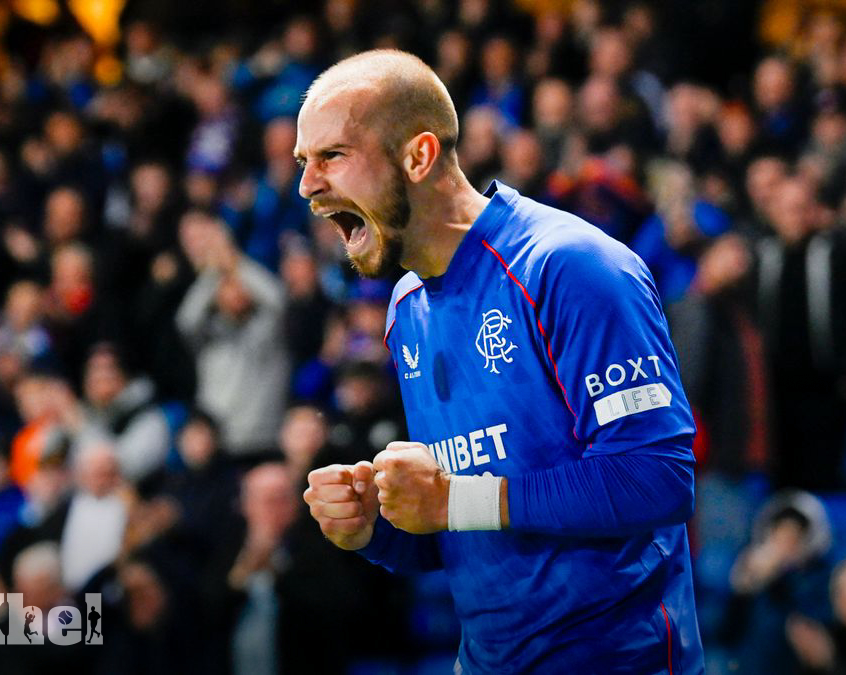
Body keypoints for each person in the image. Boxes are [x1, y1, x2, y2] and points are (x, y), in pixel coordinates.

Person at [299, 50, 703, 673]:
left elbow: (657, 478)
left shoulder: (570, 267)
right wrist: (376, 527)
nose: (307, 185)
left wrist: (450, 501)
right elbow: (472, 533)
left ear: (419, 157)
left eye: (332, 155)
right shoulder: (406, 309)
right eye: (303, 162)